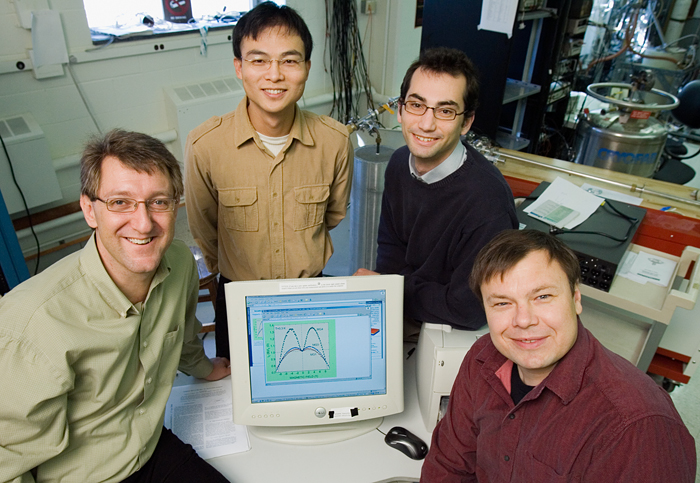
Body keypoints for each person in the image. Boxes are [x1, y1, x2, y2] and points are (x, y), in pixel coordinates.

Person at [0, 129, 231, 483]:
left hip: (150, 449)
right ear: (89, 210)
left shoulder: (180, 262)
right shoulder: (30, 326)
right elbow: (9, 466)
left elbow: (182, 334)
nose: (143, 223)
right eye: (120, 202)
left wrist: (204, 367)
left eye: (158, 201)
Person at [421, 229, 696, 482]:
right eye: (502, 303)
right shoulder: (482, 359)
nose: (523, 320)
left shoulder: (638, 427)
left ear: (576, 299)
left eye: (542, 297)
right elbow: (449, 465)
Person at [185, 1, 353, 359]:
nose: (274, 74)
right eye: (258, 60)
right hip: (238, 300)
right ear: (239, 68)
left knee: (310, 387)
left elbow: (333, 215)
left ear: (307, 68)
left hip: (311, 298)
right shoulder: (206, 145)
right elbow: (204, 228)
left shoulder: (335, 141)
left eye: (289, 60)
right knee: (238, 400)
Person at [354, 47, 517, 333]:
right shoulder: (397, 164)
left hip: (454, 332)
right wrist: (395, 293)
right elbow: (391, 249)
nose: (426, 124)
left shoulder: (488, 203)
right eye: (416, 105)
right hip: (411, 312)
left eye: (445, 111)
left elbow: (469, 308)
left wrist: (394, 291)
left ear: (466, 122)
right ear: (401, 109)